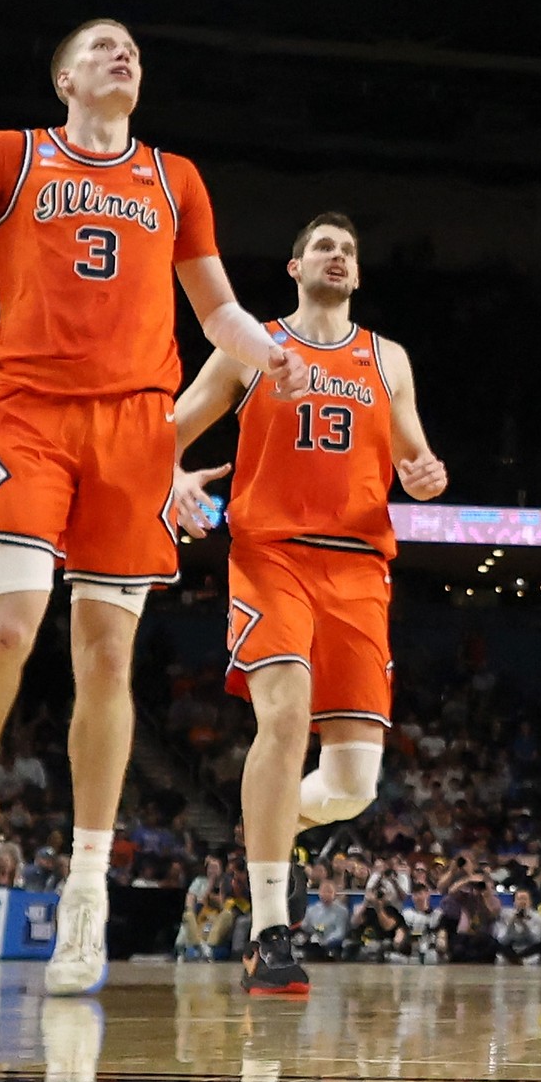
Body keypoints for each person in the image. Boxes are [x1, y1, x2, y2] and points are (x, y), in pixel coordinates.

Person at [0, 18, 304, 995]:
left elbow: (215, 312)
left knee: (110, 654)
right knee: (5, 631)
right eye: (101, 45)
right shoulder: (11, 153)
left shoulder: (177, 176)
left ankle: (85, 893)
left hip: (134, 429)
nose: (123, 54)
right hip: (29, 414)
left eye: (132, 47)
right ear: (63, 76)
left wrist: (271, 351)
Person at [166, 212, 447, 998]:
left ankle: (272, 826)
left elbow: (413, 453)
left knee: (354, 785)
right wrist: (169, 475)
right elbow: (170, 427)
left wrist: (425, 473)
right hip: (271, 554)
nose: (337, 256)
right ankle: (269, 931)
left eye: (348, 250)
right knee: (284, 717)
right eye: (323, 245)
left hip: (360, 567)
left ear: (357, 275)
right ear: (294, 266)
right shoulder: (248, 344)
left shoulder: (386, 356)